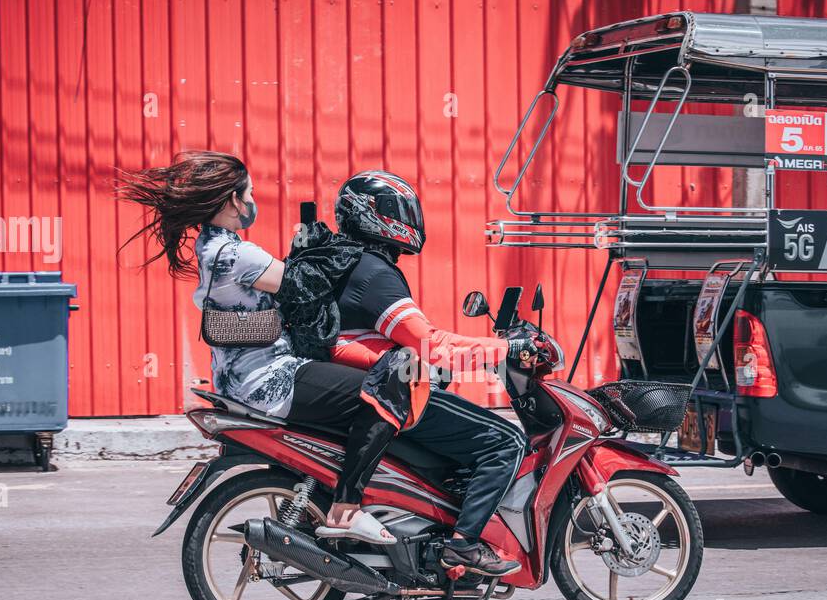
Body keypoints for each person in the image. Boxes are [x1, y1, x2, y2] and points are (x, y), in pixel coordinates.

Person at [116, 151, 399, 545]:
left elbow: (284, 285)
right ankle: (347, 509)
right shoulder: (237, 254)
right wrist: (335, 251)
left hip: (242, 378)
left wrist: (303, 254)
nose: (252, 202)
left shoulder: (211, 247)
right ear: (233, 200)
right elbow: (305, 285)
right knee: (387, 385)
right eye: (248, 193)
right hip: (270, 379)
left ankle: (321, 500)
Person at [291, 170, 537, 577]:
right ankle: (464, 545)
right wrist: (507, 348)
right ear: (372, 215)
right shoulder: (373, 273)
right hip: (384, 390)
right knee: (506, 440)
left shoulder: (342, 259)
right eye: (396, 211)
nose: (408, 221)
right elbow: (431, 344)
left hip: (358, 381)